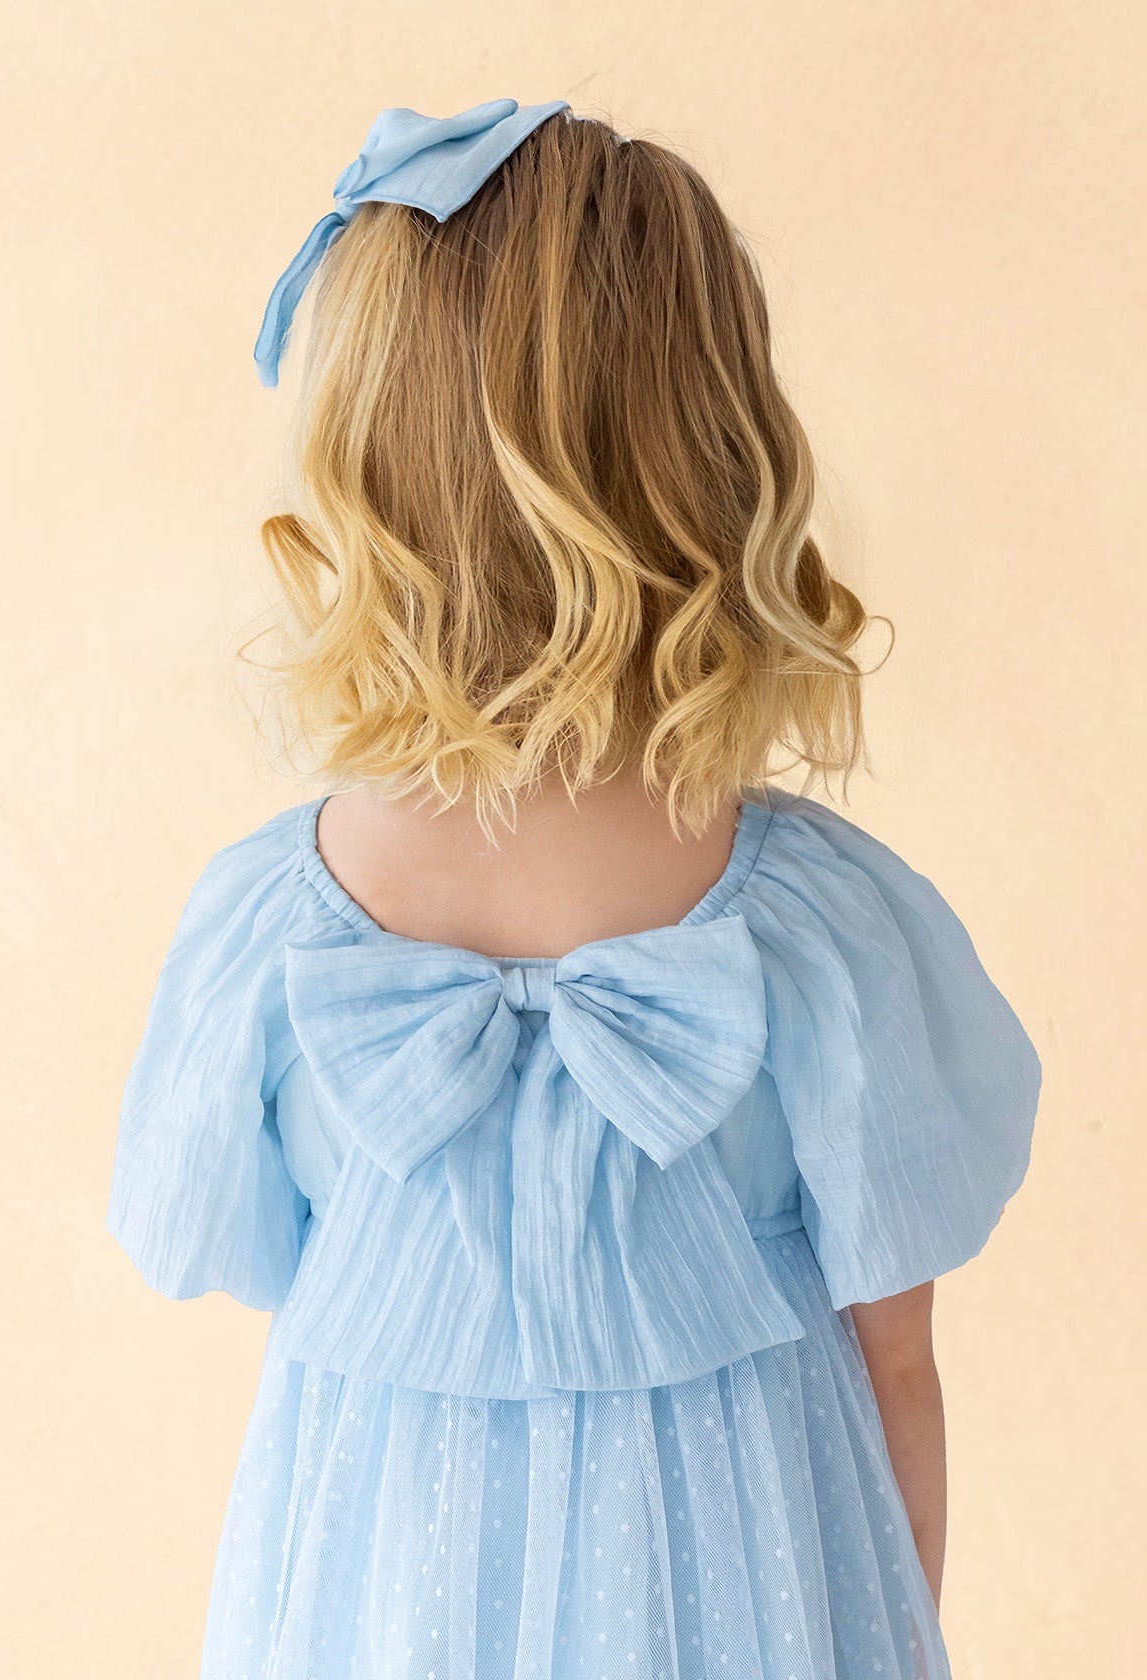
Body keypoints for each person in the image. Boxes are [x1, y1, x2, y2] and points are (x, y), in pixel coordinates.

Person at [106, 98, 1041, 1680]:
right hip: (759, 1605)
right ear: (720, 447)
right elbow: (897, 1362)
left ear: (363, 468)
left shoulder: (272, 930)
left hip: (375, 1600)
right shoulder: (820, 928)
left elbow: (268, 1278)